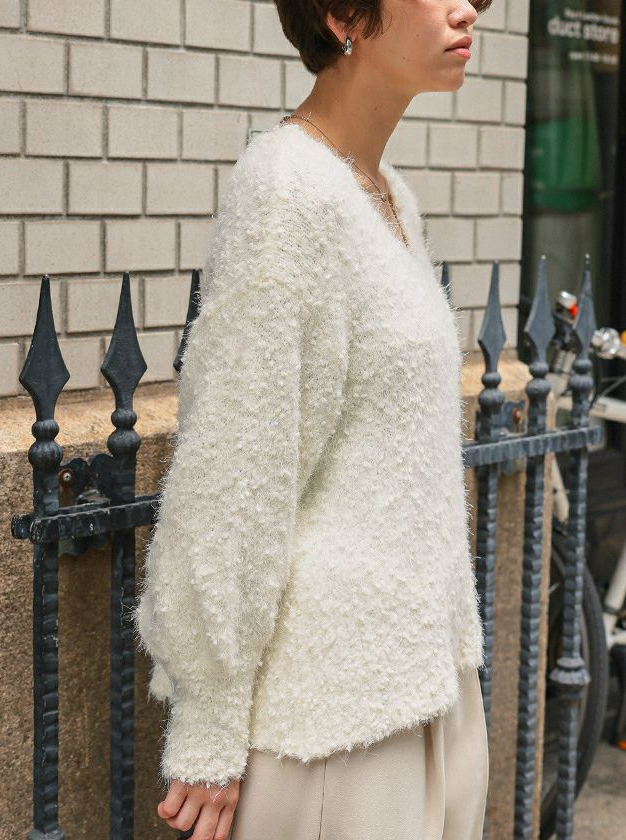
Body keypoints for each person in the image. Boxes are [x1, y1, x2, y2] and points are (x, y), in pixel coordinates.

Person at [132, 1, 493, 838]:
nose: (466, 8)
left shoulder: (385, 193)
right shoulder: (287, 190)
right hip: (337, 726)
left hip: (429, 684)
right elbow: (237, 471)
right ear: (341, 14)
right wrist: (210, 721)